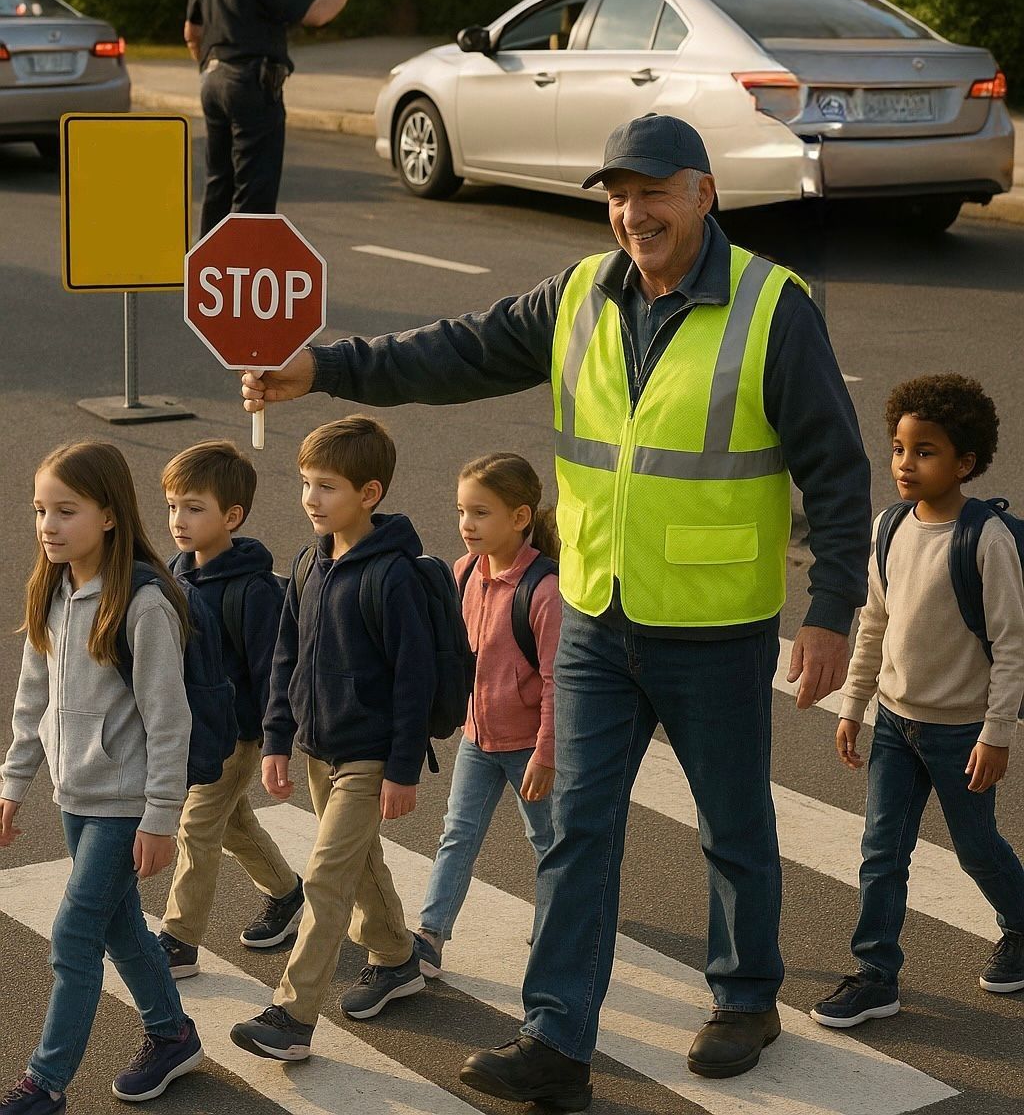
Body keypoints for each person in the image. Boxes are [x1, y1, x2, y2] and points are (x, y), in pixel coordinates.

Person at [240, 113, 871, 1096]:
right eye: (617, 194)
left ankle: (745, 996)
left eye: (652, 191)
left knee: (731, 824)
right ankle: (557, 1038)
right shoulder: (579, 293)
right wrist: (329, 368)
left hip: (714, 624)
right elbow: (457, 352)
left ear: (703, 194)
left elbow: (835, 468)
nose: (631, 212)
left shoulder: (769, 307)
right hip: (594, 617)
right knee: (576, 829)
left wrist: (830, 609)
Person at [812, 374, 1024, 1030]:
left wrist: (996, 734)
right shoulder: (889, 526)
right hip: (895, 727)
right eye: (900, 448)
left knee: (976, 846)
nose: (906, 463)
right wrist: (853, 706)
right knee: (881, 852)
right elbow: (873, 623)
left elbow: (1012, 644)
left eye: (926, 451)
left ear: (965, 461)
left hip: (962, 733)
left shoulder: (985, 541)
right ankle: (876, 975)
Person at [0, 442, 203, 1113]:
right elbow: (33, 701)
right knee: (120, 929)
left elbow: (169, 722)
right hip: (77, 795)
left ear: (110, 515)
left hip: (126, 803)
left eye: (66, 510)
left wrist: (159, 818)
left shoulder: (142, 605)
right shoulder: (53, 589)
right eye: (40, 511)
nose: (48, 526)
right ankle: (172, 1034)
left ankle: (45, 1084)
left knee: (75, 935)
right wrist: (11, 787)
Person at [229, 416, 436, 1061]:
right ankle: (397, 956)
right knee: (357, 859)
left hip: (370, 756)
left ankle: (293, 1016)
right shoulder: (309, 563)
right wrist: (275, 741)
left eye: (326, 487)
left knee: (324, 877)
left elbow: (415, 679)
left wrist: (403, 768)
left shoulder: (393, 576)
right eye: (306, 485)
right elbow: (285, 658)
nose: (310, 499)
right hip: (320, 746)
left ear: (369, 494)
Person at [156, 440, 304, 980]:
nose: (179, 519)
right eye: (173, 505)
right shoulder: (176, 574)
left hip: (238, 734)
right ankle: (288, 895)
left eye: (194, 508)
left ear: (232, 516)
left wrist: (274, 743)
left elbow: (274, 670)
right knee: (234, 823)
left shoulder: (254, 592)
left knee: (196, 827)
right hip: (197, 733)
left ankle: (178, 940)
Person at [413, 453, 562, 979]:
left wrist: (545, 755)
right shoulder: (464, 571)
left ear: (520, 517)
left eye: (480, 513)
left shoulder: (544, 591)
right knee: (457, 834)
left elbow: (556, 683)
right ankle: (430, 935)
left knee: (549, 843)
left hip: (528, 746)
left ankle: (559, 929)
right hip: (478, 737)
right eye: (461, 512)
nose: (466, 525)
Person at [184, 0, 370, 234]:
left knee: (218, 182)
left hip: (212, 81)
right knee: (255, 188)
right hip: (252, 85)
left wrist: (208, 69)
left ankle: (206, 272)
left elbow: (191, 32)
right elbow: (317, 14)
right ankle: (244, 271)